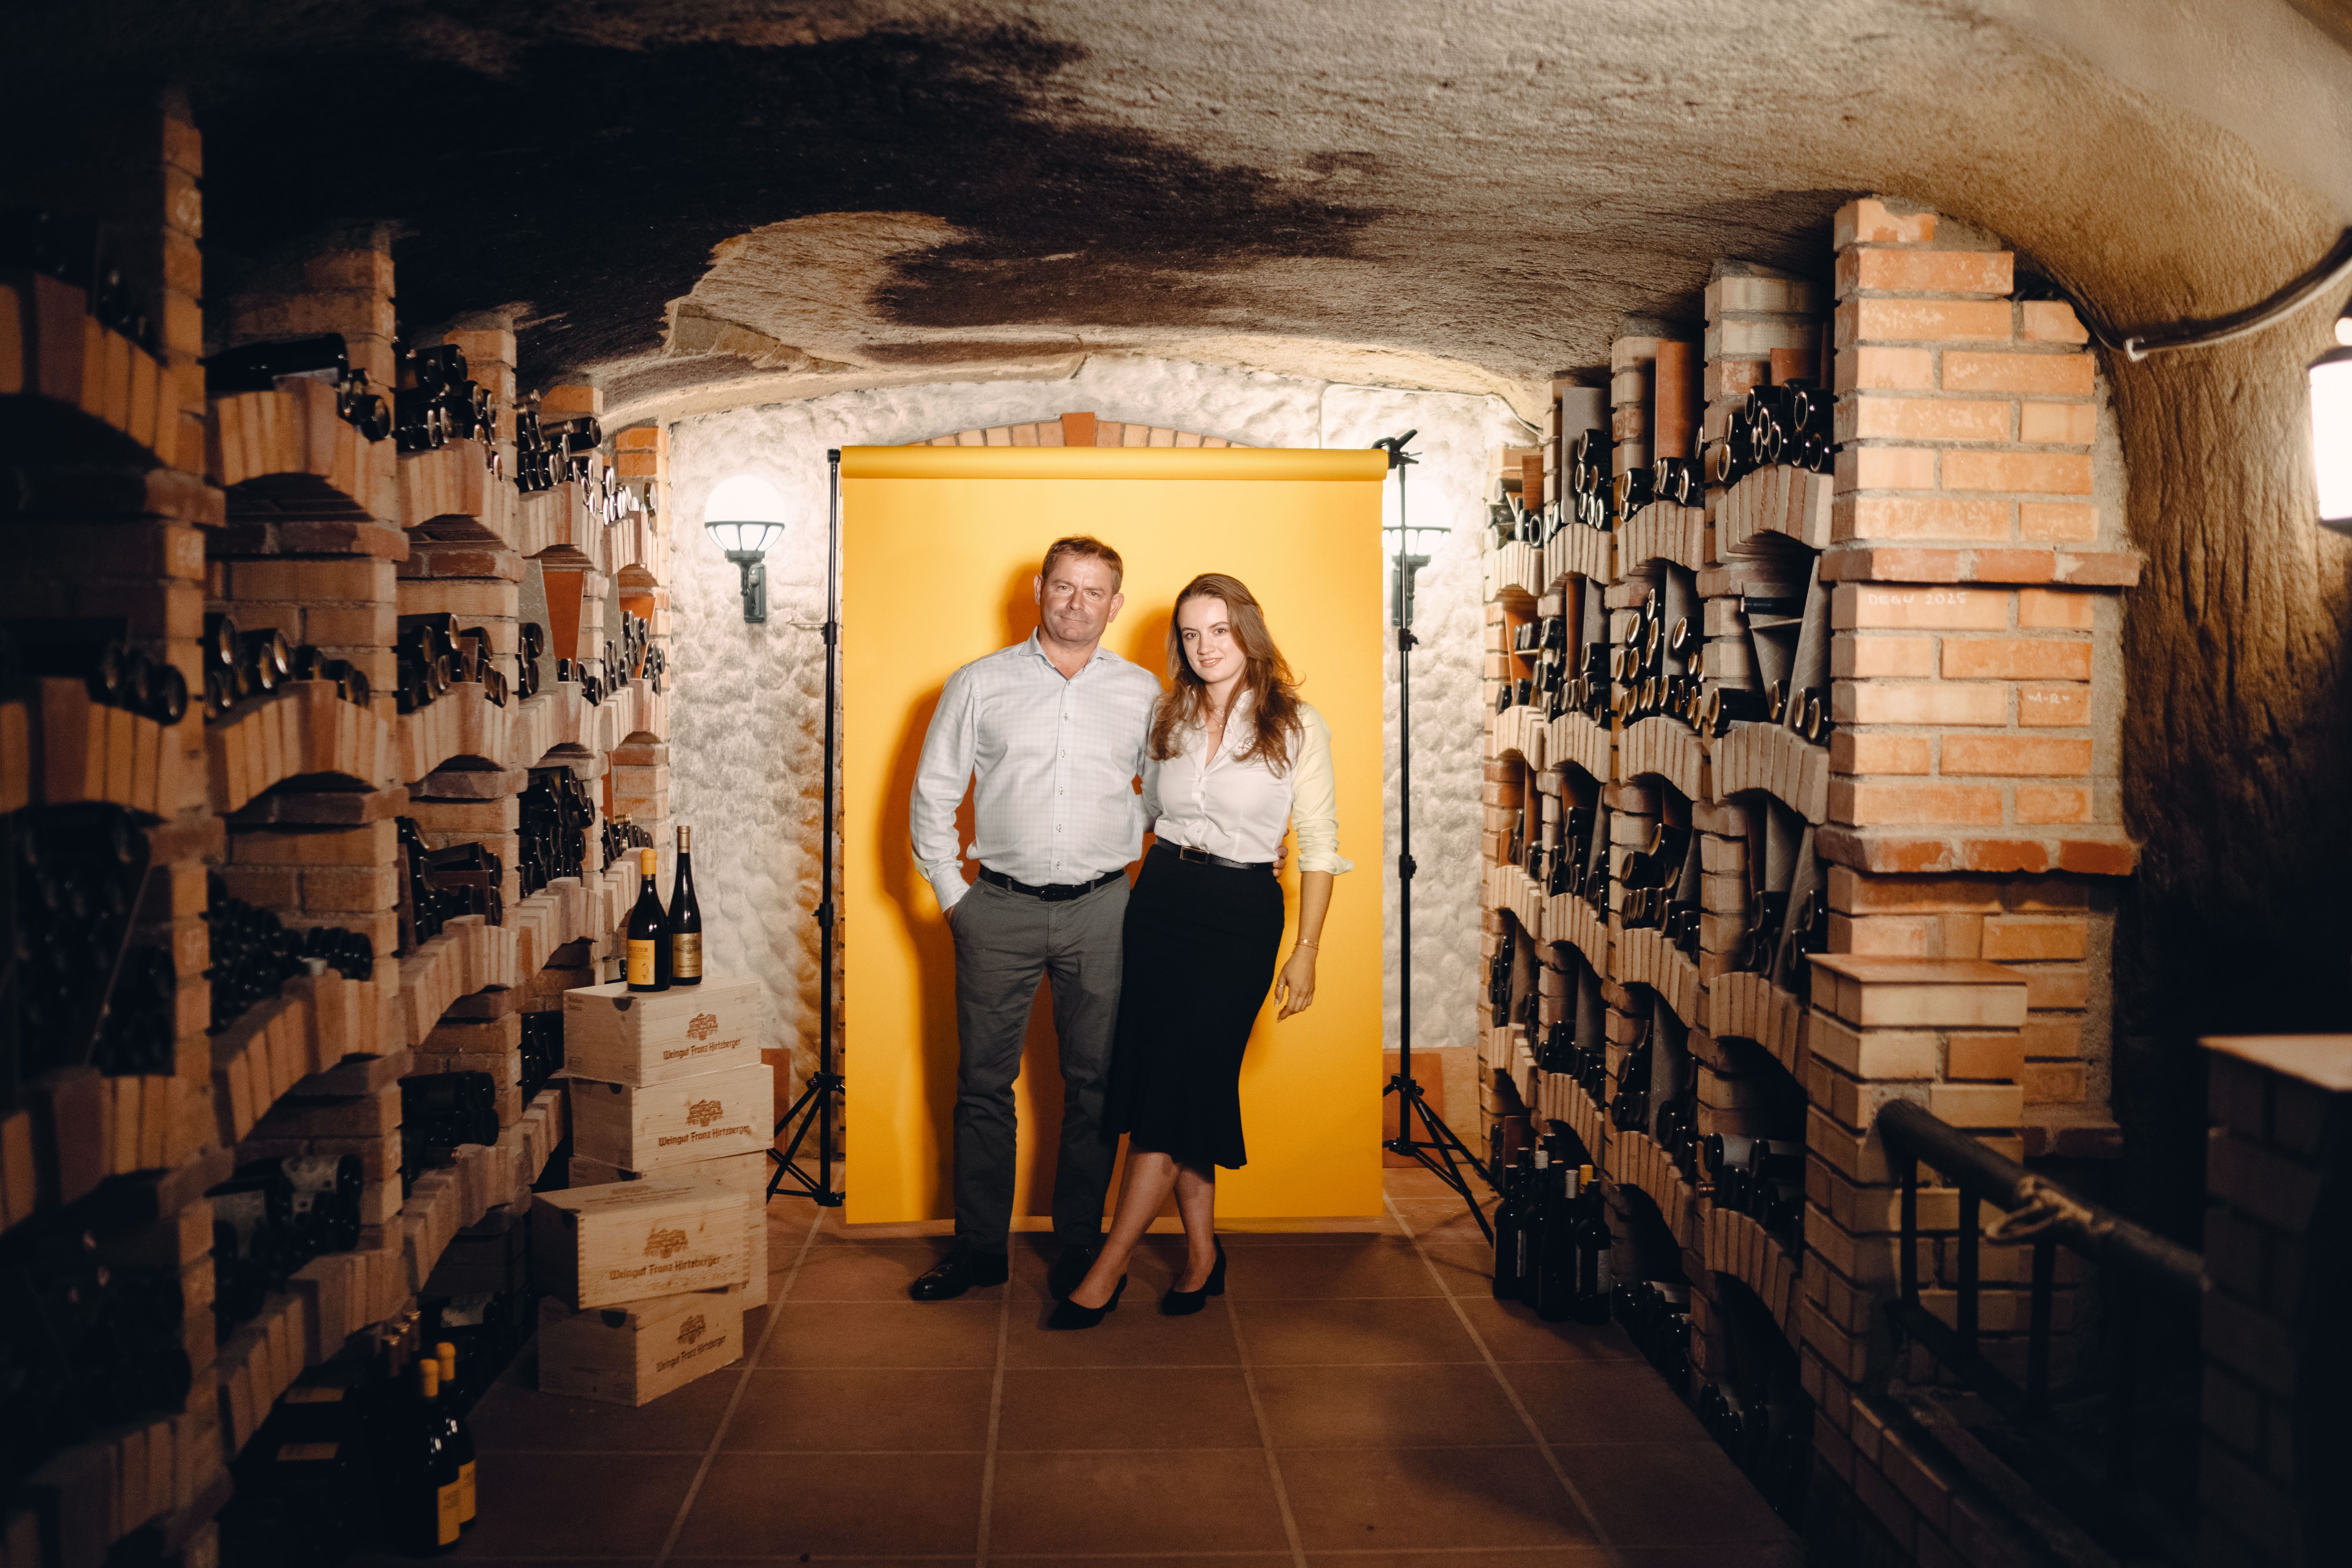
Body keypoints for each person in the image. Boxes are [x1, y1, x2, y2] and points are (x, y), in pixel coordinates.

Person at [1051, 572, 1350, 1328]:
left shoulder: (1298, 724)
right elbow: (1151, 809)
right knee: (1177, 1087)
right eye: (1190, 634)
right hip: (1160, 904)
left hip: (1239, 916)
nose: (1205, 646)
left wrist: (1307, 949)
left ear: (1248, 631)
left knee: (1176, 1090)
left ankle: (1108, 1267)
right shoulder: (1169, 715)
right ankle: (1202, 1254)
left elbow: (1318, 844)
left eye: (1219, 630)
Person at [906, 536, 1163, 1303]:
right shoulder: (979, 683)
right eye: (1064, 586)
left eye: (1094, 591)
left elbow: (1169, 798)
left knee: (1096, 1087)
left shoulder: (1144, 692)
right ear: (1039, 589)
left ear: (1115, 605)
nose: (1076, 603)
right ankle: (979, 1250)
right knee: (983, 1085)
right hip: (998, 909)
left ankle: (1081, 1245)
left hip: (1104, 911)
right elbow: (933, 793)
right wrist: (955, 897)